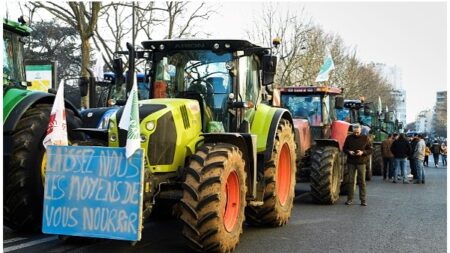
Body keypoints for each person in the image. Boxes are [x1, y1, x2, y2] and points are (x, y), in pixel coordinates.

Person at [343, 124, 372, 206]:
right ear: (353, 131)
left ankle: (363, 200)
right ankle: (350, 199)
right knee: (350, 181)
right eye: (355, 132)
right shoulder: (349, 138)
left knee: (362, 182)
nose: (356, 133)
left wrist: (362, 152)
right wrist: (349, 151)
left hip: (361, 162)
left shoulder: (365, 138)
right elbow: (344, 148)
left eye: (357, 132)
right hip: (351, 162)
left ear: (360, 130)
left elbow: (370, 149)